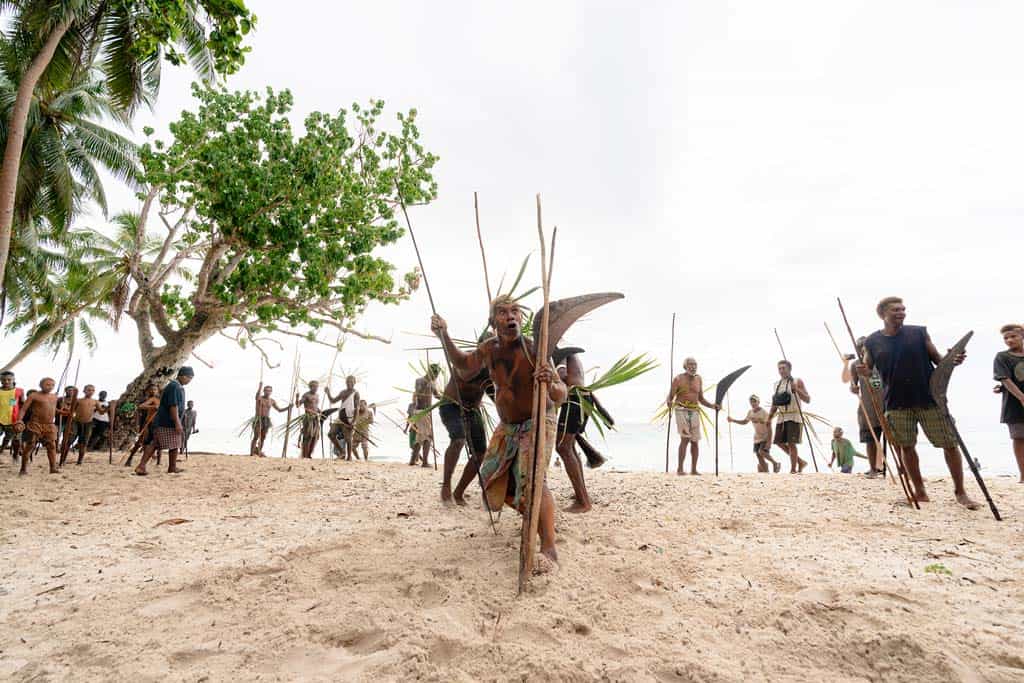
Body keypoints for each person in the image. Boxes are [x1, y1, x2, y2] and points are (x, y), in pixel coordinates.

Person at [432, 295, 567, 567]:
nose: (510, 316)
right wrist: (443, 335)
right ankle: (535, 516)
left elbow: (561, 394)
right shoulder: (489, 349)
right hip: (508, 426)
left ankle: (549, 547)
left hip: (538, 420)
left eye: (515, 311)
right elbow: (463, 364)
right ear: (493, 321)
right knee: (492, 482)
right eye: (503, 312)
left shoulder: (534, 349)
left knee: (534, 481)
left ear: (521, 318)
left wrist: (550, 382)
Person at [859, 296, 979, 509]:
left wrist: (953, 360)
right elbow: (868, 369)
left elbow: (939, 361)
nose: (901, 313)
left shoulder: (918, 333)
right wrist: (864, 371)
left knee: (950, 444)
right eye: (896, 310)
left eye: (903, 309)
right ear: (883, 314)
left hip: (929, 399)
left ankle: (960, 492)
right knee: (907, 447)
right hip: (896, 402)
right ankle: (920, 492)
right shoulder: (872, 341)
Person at [438, 367, 490, 504]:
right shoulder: (467, 360)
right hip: (451, 405)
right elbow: (465, 374)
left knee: (480, 452)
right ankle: (446, 485)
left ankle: (459, 491)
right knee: (458, 440)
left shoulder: (494, 365)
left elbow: (496, 391)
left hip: (473, 409)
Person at [555, 351, 596, 512]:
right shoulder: (570, 353)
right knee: (569, 446)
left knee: (563, 447)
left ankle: (583, 502)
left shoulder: (561, 351)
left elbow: (562, 374)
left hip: (574, 400)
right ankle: (581, 494)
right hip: (582, 399)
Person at [134, 367, 194, 475]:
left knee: (163, 443)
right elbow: (173, 406)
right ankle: (145, 466)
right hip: (167, 422)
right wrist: (177, 423)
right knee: (165, 443)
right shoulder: (174, 386)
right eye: (189, 378)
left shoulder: (177, 387)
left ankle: (167, 467)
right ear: (183, 376)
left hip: (165, 421)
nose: (190, 381)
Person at [665, 357, 719, 475]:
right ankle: (680, 469)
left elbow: (701, 399)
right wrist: (668, 401)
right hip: (681, 410)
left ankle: (694, 469)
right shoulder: (678, 379)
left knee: (695, 441)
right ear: (685, 366)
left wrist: (712, 406)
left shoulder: (698, 379)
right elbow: (671, 396)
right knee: (685, 438)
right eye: (690, 364)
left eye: (695, 364)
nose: (693, 367)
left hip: (695, 410)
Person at [842, 341, 885, 478]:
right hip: (867, 408)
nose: (864, 352)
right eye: (861, 349)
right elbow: (852, 385)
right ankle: (873, 469)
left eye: (866, 348)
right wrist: (853, 388)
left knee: (895, 440)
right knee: (870, 439)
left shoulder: (882, 361)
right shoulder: (856, 365)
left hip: (885, 405)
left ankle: (901, 469)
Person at [993, 323, 1024, 483]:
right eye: (1006, 338)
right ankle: (1023, 475)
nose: (1009, 340)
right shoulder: (1002, 357)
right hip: (1014, 406)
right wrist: (1021, 397)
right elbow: (1005, 379)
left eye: (1013, 336)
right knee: (1019, 438)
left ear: (1022, 336)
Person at [767, 360, 810, 473]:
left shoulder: (797, 381)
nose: (781, 371)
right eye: (779, 368)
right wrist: (769, 418)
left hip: (794, 415)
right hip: (781, 417)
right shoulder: (776, 384)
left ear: (789, 369)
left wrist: (797, 389)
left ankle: (793, 469)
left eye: (784, 368)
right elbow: (775, 403)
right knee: (779, 442)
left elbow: (807, 399)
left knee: (791, 443)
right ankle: (800, 462)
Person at [14, 377, 62, 475]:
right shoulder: (34, 396)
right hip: (35, 424)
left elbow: (52, 408)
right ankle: (23, 469)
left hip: (49, 425)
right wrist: (19, 421)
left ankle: (53, 468)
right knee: (30, 445)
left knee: (52, 446)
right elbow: (23, 409)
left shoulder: (54, 397)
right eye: (47, 384)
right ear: (40, 385)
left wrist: (64, 412)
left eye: (52, 385)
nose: (50, 387)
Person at [728, 394, 780, 473]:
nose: (753, 403)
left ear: (758, 402)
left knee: (761, 451)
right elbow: (744, 422)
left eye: (755, 401)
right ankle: (766, 472)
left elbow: (769, 426)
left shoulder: (764, 412)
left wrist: (769, 441)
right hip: (757, 437)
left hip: (765, 436)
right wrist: (733, 420)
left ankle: (775, 463)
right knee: (758, 455)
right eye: (751, 402)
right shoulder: (750, 412)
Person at [411, 364, 441, 468]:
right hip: (422, 411)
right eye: (436, 375)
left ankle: (412, 460)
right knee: (428, 436)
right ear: (431, 373)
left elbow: (437, 395)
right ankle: (425, 462)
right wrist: (427, 383)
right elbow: (418, 393)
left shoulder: (431, 383)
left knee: (420, 437)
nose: (436, 377)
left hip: (424, 412)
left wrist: (447, 398)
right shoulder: (420, 381)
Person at [124, 384, 160, 467]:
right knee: (140, 442)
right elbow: (140, 407)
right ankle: (130, 458)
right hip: (147, 423)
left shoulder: (159, 400)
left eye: (155, 389)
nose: (153, 391)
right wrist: (153, 407)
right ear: (148, 391)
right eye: (151, 389)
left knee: (157, 442)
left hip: (156, 424)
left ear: (158, 391)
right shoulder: (150, 399)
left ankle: (158, 461)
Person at [326, 376, 360, 460]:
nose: (349, 383)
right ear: (345, 382)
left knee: (348, 438)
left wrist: (353, 422)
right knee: (331, 434)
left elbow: (357, 408)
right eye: (348, 381)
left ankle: (349, 457)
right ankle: (342, 452)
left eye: (351, 382)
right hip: (340, 417)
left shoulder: (356, 393)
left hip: (349, 418)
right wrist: (328, 393)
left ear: (354, 382)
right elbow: (333, 401)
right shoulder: (343, 392)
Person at [250, 385, 287, 457]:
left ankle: (259, 451)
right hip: (258, 419)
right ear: (263, 391)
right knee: (256, 436)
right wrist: (260, 386)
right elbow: (256, 396)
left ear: (271, 392)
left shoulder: (272, 401)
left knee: (263, 437)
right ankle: (252, 453)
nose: (268, 392)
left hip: (266, 420)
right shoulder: (260, 398)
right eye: (266, 390)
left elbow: (279, 410)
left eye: (269, 391)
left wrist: (288, 407)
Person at [69, 384, 98, 465]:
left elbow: (101, 411)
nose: (91, 392)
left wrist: (108, 408)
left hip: (88, 423)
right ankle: (63, 458)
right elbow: (72, 410)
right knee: (70, 439)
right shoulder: (79, 400)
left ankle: (80, 461)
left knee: (84, 443)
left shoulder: (95, 401)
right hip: (77, 422)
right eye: (89, 390)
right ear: (84, 391)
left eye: (92, 390)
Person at [0, 370, 24, 466]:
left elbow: (22, 405)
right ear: (1, 380)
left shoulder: (19, 391)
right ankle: (1, 451)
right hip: (0, 420)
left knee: (16, 440)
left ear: (13, 380)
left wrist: (21, 419)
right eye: (4, 380)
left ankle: (15, 455)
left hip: (14, 420)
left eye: (9, 380)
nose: (6, 382)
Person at [297, 381, 321, 459]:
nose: (315, 388)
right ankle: (305, 454)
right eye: (313, 386)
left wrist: (319, 410)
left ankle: (309, 454)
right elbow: (298, 405)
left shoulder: (317, 395)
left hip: (315, 417)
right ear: (310, 387)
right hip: (308, 418)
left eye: (316, 386)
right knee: (309, 436)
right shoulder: (306, 395)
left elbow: (315, 406)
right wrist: (297, 398)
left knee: (315, 436)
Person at [56, 386, 78, 465]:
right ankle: (57, 447)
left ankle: (63, 451)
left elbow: (77, 411)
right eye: (69, 390)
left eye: (72, 391)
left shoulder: (76, 400)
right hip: (60, 420)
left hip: (71, 421)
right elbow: (54, 408)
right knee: (56, 435)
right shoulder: (60, 399)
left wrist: (72, 413)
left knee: (68, 437)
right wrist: (62, 411)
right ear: (65, 391)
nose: (70, 392)